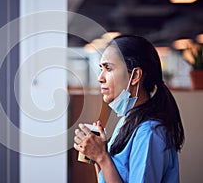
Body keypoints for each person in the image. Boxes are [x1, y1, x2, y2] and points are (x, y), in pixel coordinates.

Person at [74, 35, 184, 183]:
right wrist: (99, 156)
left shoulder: (149, 133)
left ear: (135, 76)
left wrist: (102, 157)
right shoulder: (128, 121)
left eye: (108, 68)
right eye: (101, 68)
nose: (100, 77)